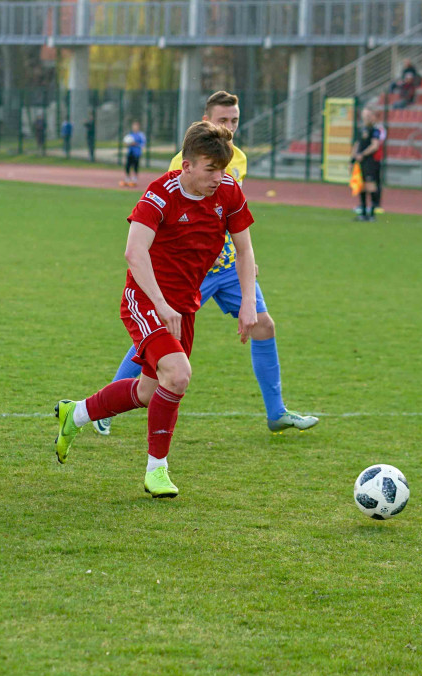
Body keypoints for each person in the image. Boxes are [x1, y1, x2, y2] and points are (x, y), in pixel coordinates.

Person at [92, 91, 317, 438]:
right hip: (190, 270)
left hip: (226, 267)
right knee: (160, 338)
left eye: (234, 121)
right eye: (222, 120)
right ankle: (106, 406)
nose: (229, 126)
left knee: (263, 325)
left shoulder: (237, 158)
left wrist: (246, 262)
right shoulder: (185, 162)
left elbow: (231, 215)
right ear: (205, 120)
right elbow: (178, 215)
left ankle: (277, 412)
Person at [53, 121, 256, 499]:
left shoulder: (227, 192)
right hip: (146, 300)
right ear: (187, 166)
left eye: (223, 169)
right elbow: (134, 252)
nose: (219, 177)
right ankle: (156, 471)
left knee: (150, 391)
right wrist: (160, 304)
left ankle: (76, 414)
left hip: (184, 305)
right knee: (177, 376)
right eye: (211, 169)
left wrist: (247, 302)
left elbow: (244, 250)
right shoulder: (159, 195)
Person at [351, 106, 387, 221]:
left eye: (368, 115)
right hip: (361, 161)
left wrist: (363, 154)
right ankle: (363, 211)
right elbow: (357, 144)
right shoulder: (361, 129)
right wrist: (353, 159)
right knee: (361, 186)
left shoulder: (375, 130)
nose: (365, 117)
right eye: (364, 115)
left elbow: (375, 145)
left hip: (370, 161)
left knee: (370, 185)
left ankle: (371, 213)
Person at [120, 120, 146, 187]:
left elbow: (143, 144)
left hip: (137, 153)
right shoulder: (130, 135)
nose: (134, 127)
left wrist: (135, 144)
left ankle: (135, 178)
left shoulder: (141, 135)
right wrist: (127, 143)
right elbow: (126, 142)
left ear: (138, 127)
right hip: (130, 152)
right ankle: (127, 178)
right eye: (133, 126)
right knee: (128, 165)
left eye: (136, 126)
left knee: (135, 166)